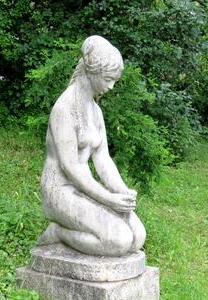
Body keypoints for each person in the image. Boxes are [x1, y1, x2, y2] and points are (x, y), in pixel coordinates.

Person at [37, 35, 146, 256]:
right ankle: (59, 233)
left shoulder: (95, 111)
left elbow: (103, 159)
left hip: (83, 188)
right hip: (60, 191)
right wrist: (107, 199)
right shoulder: (64, 109)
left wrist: (122, 192)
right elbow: (70, 166)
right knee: (119, 241)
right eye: (108, 79)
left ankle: (79, 228)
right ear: (92, 72)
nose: (112, 86)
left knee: (138, 235)